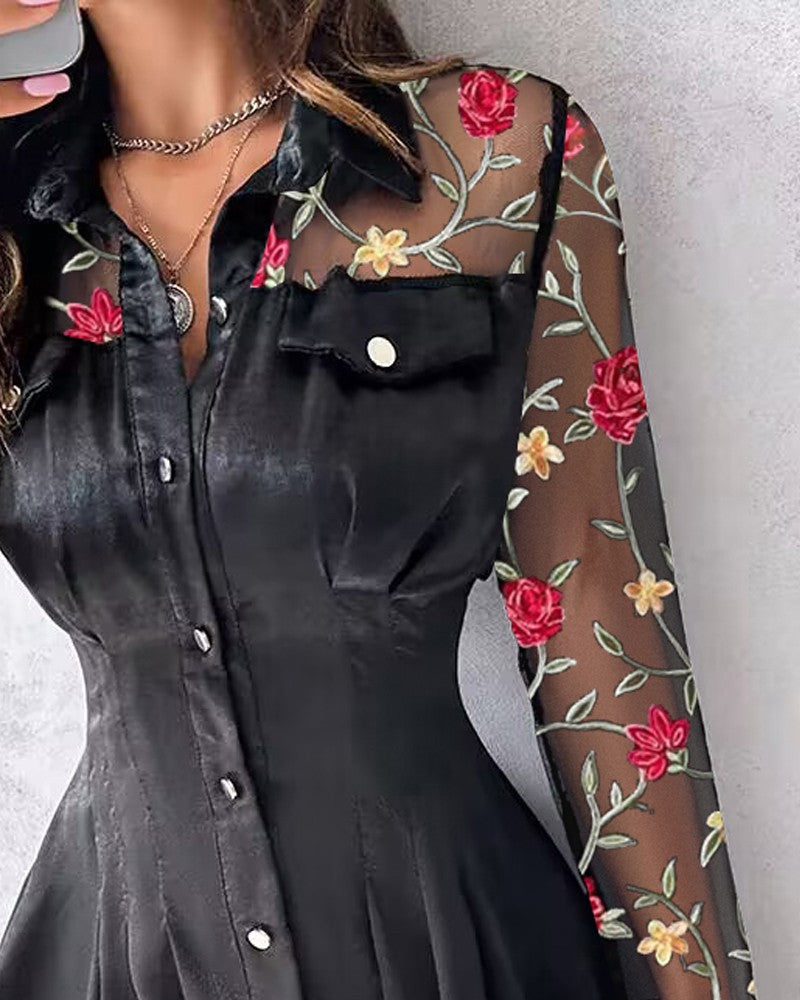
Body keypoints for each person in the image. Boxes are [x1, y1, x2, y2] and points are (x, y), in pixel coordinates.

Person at [0, 1, 754, 998]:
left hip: (450, 951)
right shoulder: (17, 225)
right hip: (116, 957)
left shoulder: (492, 154)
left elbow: (596, 610)